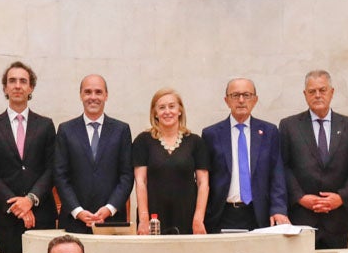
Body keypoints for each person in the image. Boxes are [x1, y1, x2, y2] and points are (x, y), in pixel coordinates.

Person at [278, 70, 348, 249]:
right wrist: (300, 198)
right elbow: (283, 167)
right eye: (312, 91)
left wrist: (341, 198)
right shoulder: (289, 126)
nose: (317, 95)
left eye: (322, 90)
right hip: (300, 219)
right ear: (305, 94)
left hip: (337, 220)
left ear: (332, 92)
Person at [0, 61, 57, 253]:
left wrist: (30, 200)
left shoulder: (46, 125)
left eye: (23, 81)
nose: (17, 85)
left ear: (31, 87)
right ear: (5, 87)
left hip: (42, 214)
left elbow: (52, 168)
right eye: (12, 81)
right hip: (6, 216)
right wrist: (17, 206)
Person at [201, 78, 290, 232]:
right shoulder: (211, 134)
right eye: (235, 95)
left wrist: (279, 209)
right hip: (222, 214)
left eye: (247, 95)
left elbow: (277, 175)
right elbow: (204, 179)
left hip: (258, 214)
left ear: (255, 100)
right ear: (226, 101)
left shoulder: (269, 132)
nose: (241, 100)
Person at [54, 74, 134, 232]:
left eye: (98, 92)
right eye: (88, 92)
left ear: (106, 95)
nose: (93, 97)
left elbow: (126, 175)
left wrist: (110, 208)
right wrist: (78, 211)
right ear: (81, 95)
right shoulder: (65, 130)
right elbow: (60, 175)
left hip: (112, 220)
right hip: (74, 221)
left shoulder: (121, 130)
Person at [133, 88, 211, 235]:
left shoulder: (195, 142)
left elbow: (203, 184)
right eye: (161, 107)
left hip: (188, 216)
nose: (167, 111)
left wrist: (198, 219)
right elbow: (140, 181)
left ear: (180, 110)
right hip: (154, 218)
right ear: (155, 113)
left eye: (172, 106)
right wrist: (144, 219)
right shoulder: (142, 141)